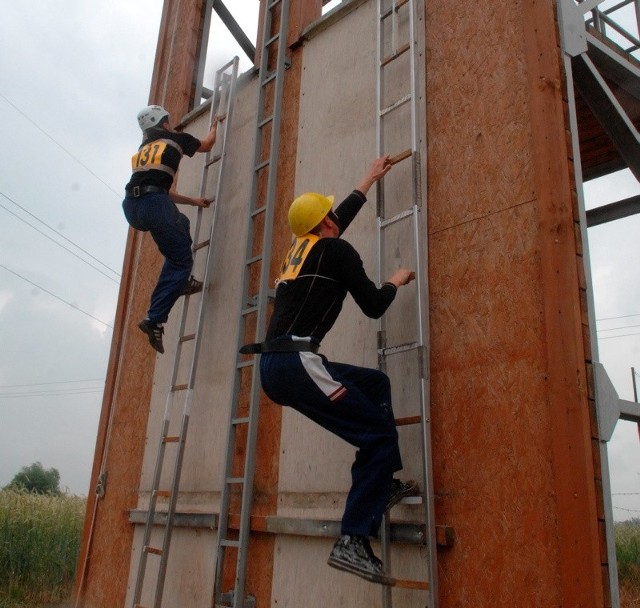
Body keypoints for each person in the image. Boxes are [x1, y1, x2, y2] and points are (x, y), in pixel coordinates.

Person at [249, 156, 419, 585]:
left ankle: (385, 482)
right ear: (325, 225)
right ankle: (353, 540)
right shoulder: (337, 250)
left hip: (278, 364)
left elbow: (335, 218)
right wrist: (396, 280)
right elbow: (374, 305)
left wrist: (369, 178)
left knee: (374, 384)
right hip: (299, 364)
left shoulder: (302, 249)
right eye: (330, 217)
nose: (334, 220)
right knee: (377, 436)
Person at [123, 105, 219, 354]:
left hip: (134, 207)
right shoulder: (175, 139)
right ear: (164, 123)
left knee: (181, 224)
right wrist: (215, 125)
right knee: (179, 261)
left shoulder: (144, 150)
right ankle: (154, 319)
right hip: (155, 205)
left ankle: (181, 282)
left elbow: (160, 192)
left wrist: (194, 201)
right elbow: (207, 144)